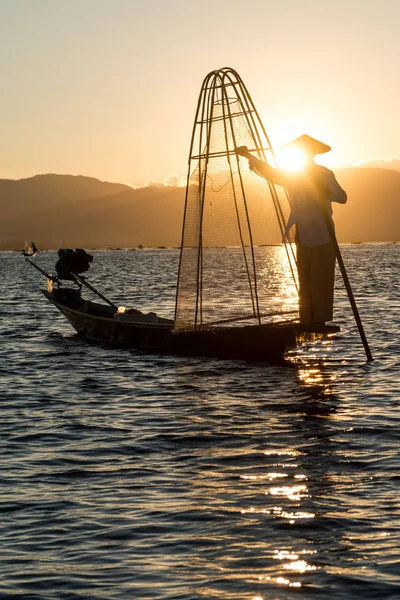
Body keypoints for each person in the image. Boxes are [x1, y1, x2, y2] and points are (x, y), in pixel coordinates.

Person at [235, 135, 347, 325]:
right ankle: (307, 319)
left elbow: (342, 197)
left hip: (323, 234)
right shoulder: (294, 175)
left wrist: (324, 190)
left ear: (312, 154)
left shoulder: (324, 174)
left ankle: (318, 320)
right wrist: (248, 156)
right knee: (305, 277)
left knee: (321, 277)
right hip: (302, 233)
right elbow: (270, 172)